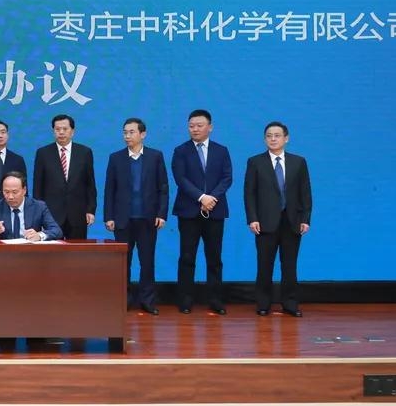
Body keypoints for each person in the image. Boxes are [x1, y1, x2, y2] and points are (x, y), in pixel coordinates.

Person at [244, 121, 312, 317]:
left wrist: (305, 218)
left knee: (289, 265)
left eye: (277, 135)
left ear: (286, 138)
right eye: (269, 136)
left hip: (292, 221)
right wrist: (252, 218)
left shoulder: (299, 162)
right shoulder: (255, 162)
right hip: (264, 222)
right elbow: (249, 193)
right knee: (264, 265)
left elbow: (305, 192)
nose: (273, 139)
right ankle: (263, 303)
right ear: (264, 139)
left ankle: (290, 304)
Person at [103, 118, 169, 315]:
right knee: (123, 263)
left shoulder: (155, 156)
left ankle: (147, 301)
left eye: (131, 132)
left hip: (148, 219)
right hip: (123, 219)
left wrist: (161, 214)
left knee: (147, 262)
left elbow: (163, 188)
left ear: (143, 134)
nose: (127, 136)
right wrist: (109, 216)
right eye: (125, 132)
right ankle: (124, 300)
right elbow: (109, 190)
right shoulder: (116, 158)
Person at [171, 109, 232, 315]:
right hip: (189, 211)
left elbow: (227, 178)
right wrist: (201, 197)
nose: (195, 129)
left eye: (199, 125)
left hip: (215, 210)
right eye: (191, 126)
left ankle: (215, 300)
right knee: (187, 257)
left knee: (214, 258)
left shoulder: (221, 151)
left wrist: (211, 198)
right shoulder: (181, 151)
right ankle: (185, 300)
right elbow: (181, 179)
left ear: (210, 127)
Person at [32, 113, 97, 239]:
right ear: (53, 131)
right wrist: (39, 213)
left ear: (72, 131)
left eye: (65, 129)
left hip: (78, 213)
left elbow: (90, 184)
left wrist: (90, 210)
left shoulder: (84, 152)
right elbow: (38, 186)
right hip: (51, 214)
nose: (61, 132)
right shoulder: (43, 153)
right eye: (57, 129)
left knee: (77, 250)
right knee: (53, 250)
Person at [0, 172, 62, 242]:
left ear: (24, 190)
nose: (10, 197)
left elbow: (57, 231)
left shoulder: (39, 207)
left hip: (31, 253)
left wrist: (39, 235)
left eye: (15, 192)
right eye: (6, 192)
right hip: (5, 254)